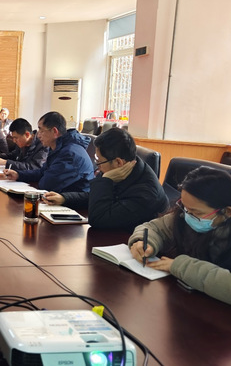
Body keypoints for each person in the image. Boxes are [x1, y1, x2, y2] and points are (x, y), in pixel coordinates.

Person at [128, 166, 231, 305]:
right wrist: (144, 241)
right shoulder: (184, 215)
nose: (187, 215)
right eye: (184, 207)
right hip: (188, 301)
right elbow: (153, 228)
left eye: (196, 213)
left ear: (227, 211)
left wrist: (181, 267)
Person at [43, 128, 168, 231]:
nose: (98, 166)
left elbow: (98, 219)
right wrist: (65, 198)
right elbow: (94, 196)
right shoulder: (121, 169)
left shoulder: (146, 193)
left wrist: (105, 180)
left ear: (118, 162)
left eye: (99, 161)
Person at [4, 111, 94, 193]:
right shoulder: (58, 147)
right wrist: (18, 175)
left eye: (41, 130)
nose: (38, 135)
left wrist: (43, 175)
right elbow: (42, 172)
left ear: (54, 131)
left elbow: (47, 184)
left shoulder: (70, 153)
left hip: (72, 203)